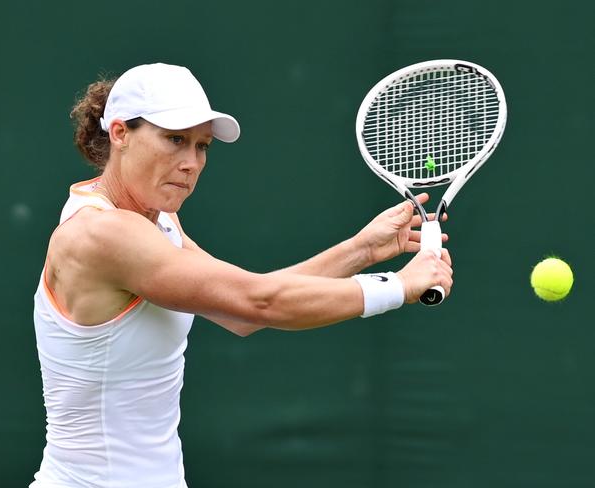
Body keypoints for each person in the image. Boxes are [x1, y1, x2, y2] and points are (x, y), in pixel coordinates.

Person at [30, 62, 453, 488]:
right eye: (175, 140)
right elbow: (261, 301)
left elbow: (243, 312)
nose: (191, 163)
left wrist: (363, 249)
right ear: (120, 133)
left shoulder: (156, 221)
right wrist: (398, 286)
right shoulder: (103, 232)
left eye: (202, 146)